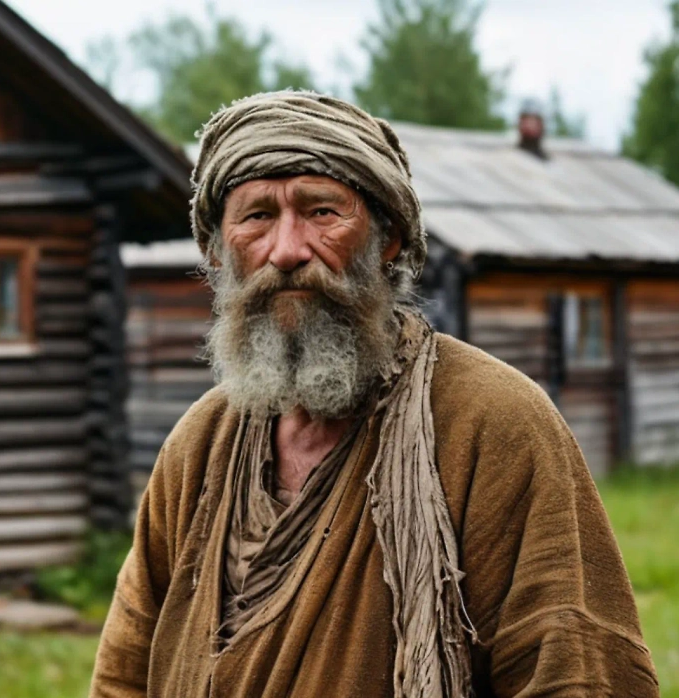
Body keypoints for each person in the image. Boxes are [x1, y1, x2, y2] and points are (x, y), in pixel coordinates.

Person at [89, 91, 659, 698]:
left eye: (321, 212)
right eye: (256, 216)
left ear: (386, 239)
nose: (286, 251)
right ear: (216, 250)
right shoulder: (199, 448)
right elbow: (124, 673)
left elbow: (576, 675)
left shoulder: (493, 425)